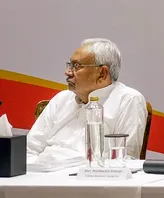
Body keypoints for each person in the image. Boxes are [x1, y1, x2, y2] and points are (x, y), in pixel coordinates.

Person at [27, 38, 147, 171]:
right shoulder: (61, 99)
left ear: (102, 73)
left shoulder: (128, 100)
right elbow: (29, 149)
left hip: (88, 180)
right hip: (40, 177)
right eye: (69, 65)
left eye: (76, 66)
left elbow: (126, 160)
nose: (67, 73)